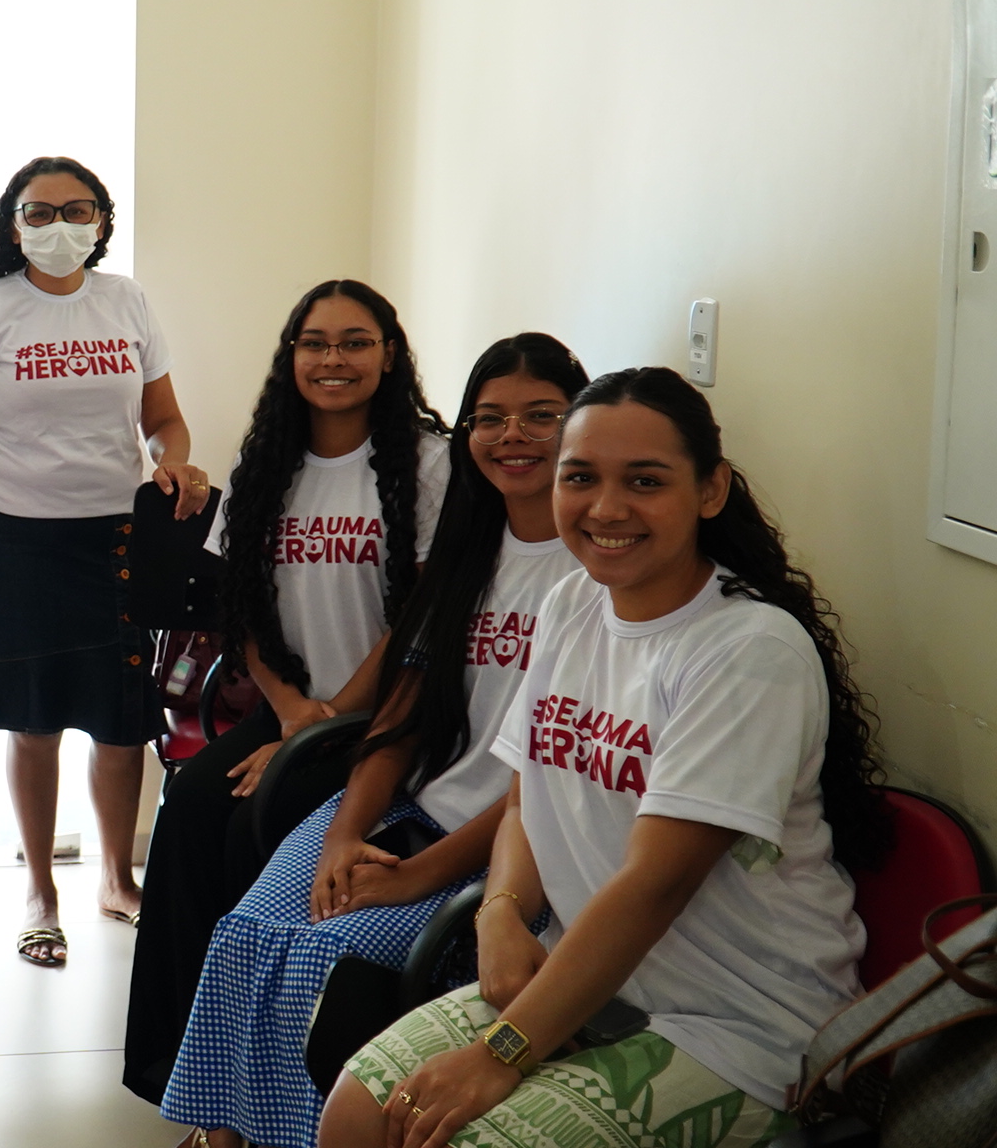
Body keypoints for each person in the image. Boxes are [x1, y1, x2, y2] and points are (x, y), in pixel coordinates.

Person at [321, 366, 887, 1148]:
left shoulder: (748, 651)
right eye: (580, 477)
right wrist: (500, 911)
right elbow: (527, 794)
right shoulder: (573, 603)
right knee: (356, 1113)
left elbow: (655, 886)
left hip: (739, 1025)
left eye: (645, 481)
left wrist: (500, 1053)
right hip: (592, 978)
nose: (607, 508)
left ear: (711, 489)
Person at [162, 334, 590, 1148]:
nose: (514, 436)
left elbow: (545, 791)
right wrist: (345, 833)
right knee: (246, 934)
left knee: (322, 960)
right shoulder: (466, 556)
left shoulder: (593, 578)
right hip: (410, 815)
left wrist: (420, 873)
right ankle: (222, 1137)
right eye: (491, 418)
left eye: (542, 416)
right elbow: (398, 722)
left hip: (503, 853)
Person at [124, 280, 451, 1103]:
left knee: (251, 824)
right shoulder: (267, 460)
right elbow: (239, 604)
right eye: (315, 343)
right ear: (292, 356)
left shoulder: (431, 463)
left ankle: (248, 1082)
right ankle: (176, 1069)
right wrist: (293, 710)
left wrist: (325, 721)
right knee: (189, 809)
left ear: (389, 354)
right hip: (291, 710)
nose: (333, 359)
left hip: (385, 720)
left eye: (355, 342)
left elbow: (420, 617)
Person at [0, 156, 208, 966]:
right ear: (14, 225)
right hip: (14, 542)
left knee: (122, 724)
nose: (60, 226)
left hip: (117, 541)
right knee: (35, 722)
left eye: (77, 210)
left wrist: (173, 463)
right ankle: (40, 892)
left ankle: (117, 879)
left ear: (102, 220)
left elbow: (165, 420)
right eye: (40, 212)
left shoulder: (126, 300)